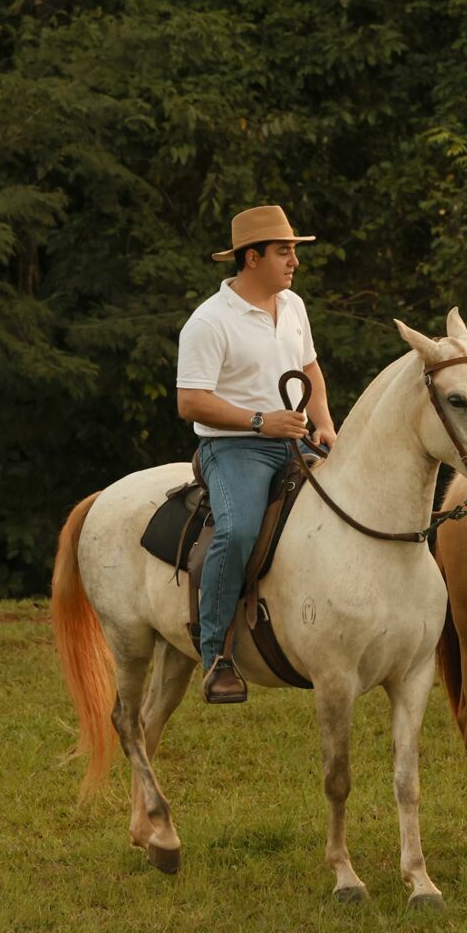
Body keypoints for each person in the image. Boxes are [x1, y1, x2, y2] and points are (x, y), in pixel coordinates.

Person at [175, 204, 338, 704]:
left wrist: (327, 423)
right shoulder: (209, 321)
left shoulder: (293, 306)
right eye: (284, 251)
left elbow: (310, 369)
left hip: (295, 440)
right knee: (240, 529)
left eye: (293, 250)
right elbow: (190, 402)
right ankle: (218, 655)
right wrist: (259, 421)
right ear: (251, 258)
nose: (294, 261)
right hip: (234, 448)